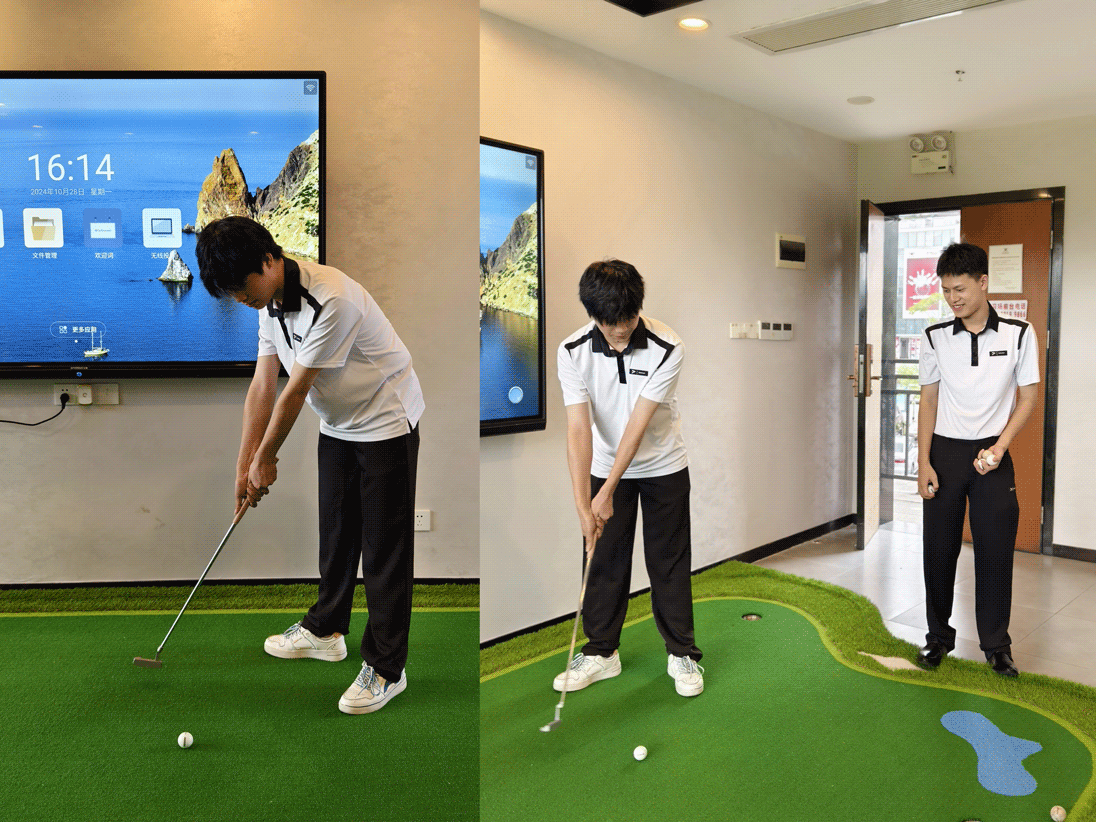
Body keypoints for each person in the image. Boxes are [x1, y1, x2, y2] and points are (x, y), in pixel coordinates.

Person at [196, 216, 424, 713]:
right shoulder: (266, 303)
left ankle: (387, 668)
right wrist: (244, 465)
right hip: (339, 421)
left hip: (386, 417)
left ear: (269, 260)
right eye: (229, 292)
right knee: (337, 531)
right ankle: (326, 630)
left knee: (383, 548)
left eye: (241, 286)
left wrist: (267, 459)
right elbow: (263, 385)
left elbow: (295, 391)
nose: (239, 298)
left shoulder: (333, 298)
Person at [554, 259, 704, 698]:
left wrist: (607, 490)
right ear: (593, 316)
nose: (619, 330)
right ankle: (602, 653)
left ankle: (682, 654)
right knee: (602, 561)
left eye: (627, 319)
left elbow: (637, 426)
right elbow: (578, 429)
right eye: (609, 321)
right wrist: (584, 504)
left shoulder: (668, 345)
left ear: (639, 307)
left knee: (668, 561)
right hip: (602, 466)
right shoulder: (572, 351)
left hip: (662, 466)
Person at [915, 242, 1039, 678]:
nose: (953, 298)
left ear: (984, 283)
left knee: (994, 552)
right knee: (938, 552)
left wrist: (1001, 446)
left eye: (961, 289)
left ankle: (996, 646)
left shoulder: (1020, 334)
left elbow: (1028, 397)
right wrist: (923, 461)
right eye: (947, 290)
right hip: (945, 454)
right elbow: (927, 400)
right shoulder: (933, 338)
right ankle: (937, 639)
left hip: (993, 453)